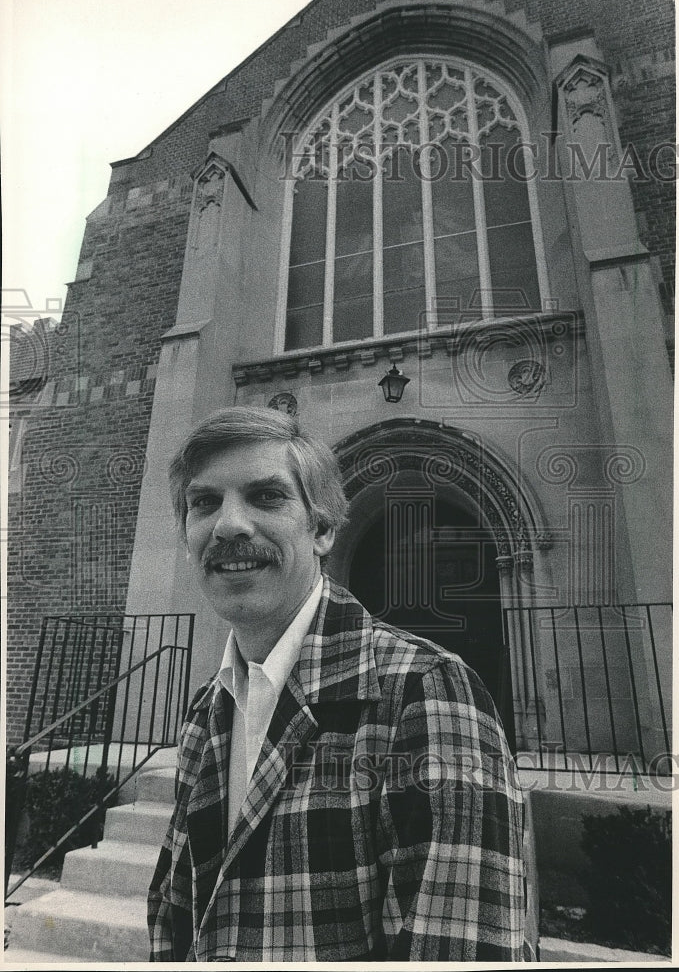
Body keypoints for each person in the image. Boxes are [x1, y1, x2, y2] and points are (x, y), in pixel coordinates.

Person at [148, 406, 528, 961]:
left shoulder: (426, 692)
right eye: (204, 502)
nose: (228, 524)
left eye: (266, 496)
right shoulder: (207, 709)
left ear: (323, 529)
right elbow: (178, 923)